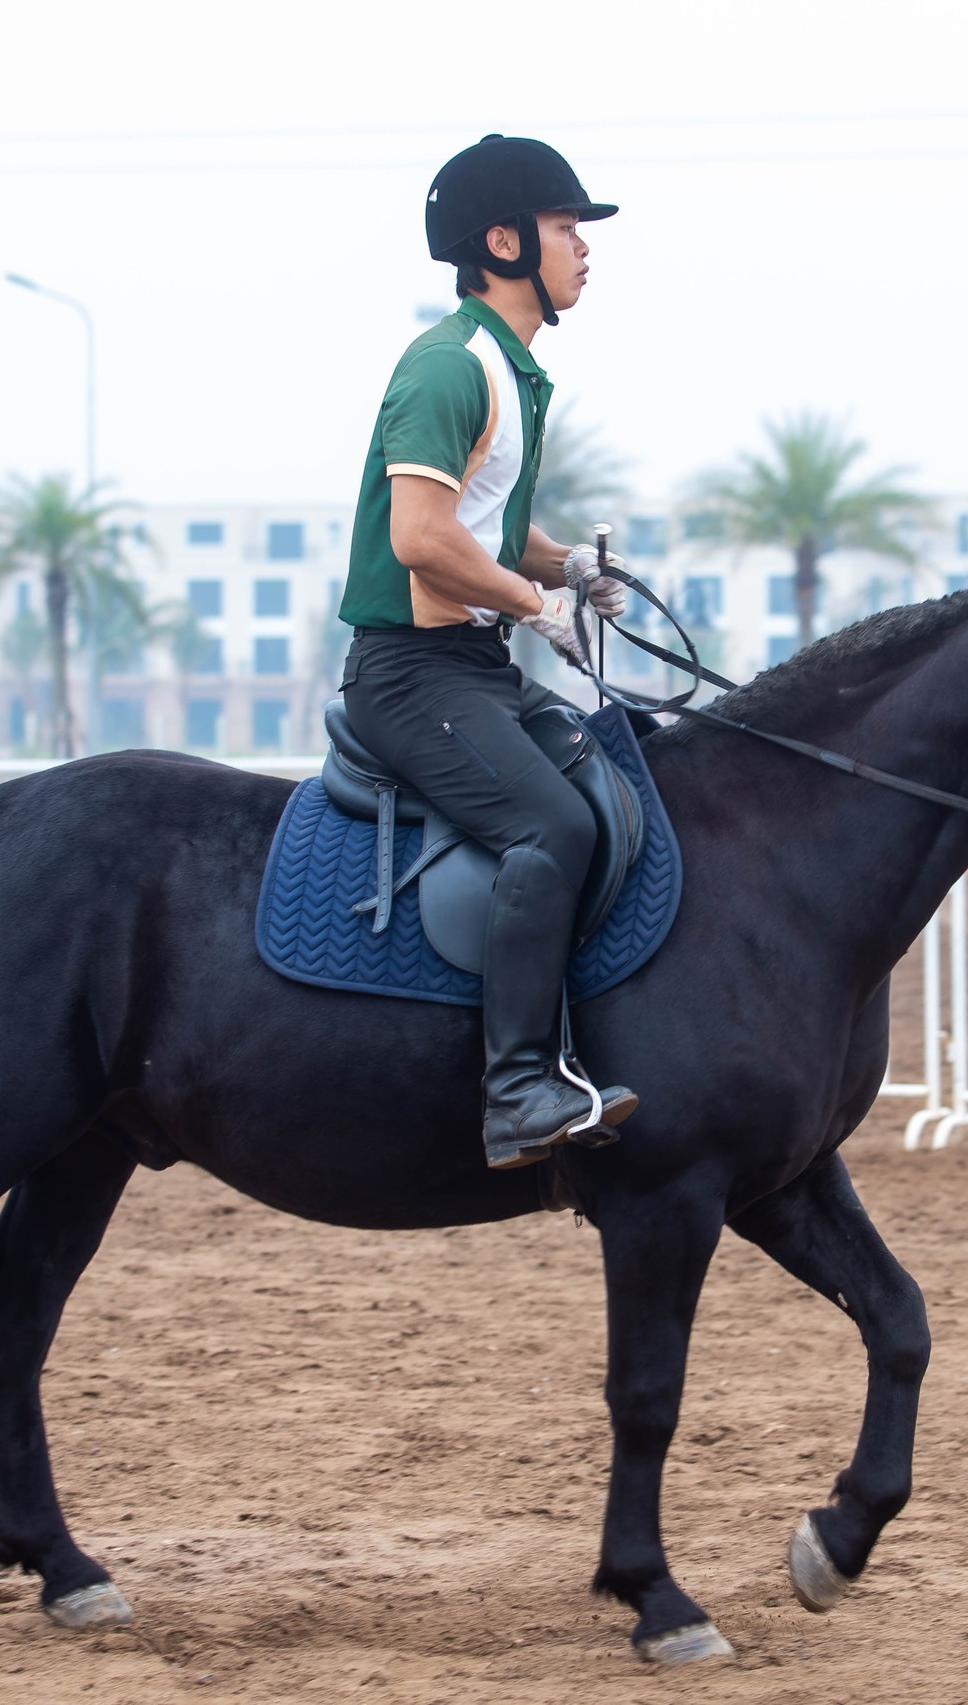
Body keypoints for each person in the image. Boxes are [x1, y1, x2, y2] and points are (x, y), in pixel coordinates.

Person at [337, 134, 639, 1171]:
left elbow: (483, 526)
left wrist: (567, 570)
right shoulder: (447, 367)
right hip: (409, 675)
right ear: (503, 242)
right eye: (566, 230)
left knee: (617, 776)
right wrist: (526, 600)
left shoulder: (512, 372)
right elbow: (420, 541)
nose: (583, 250)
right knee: (549, 826)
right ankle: (514, 1089)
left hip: (471, 670)